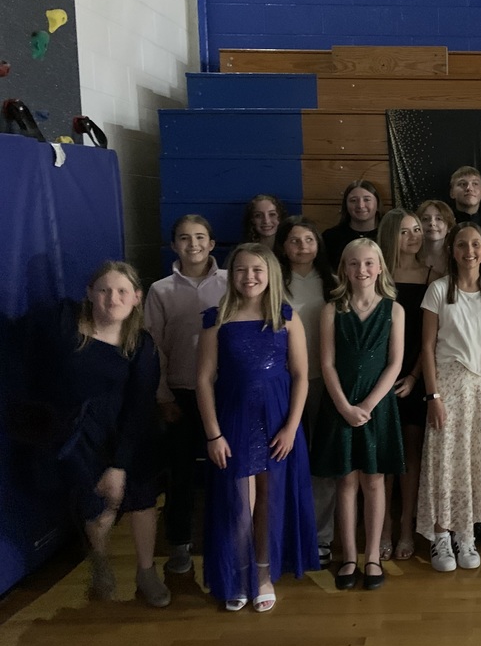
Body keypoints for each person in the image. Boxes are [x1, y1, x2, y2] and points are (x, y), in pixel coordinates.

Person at [196, 243, 318, 612]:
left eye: (257, 270)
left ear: (270, 275)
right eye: (241, 270)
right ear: (231, 276)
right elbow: (203, 380)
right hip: (233, 420)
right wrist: (213, 434)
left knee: (269, 499)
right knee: (238, 504)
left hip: (278, 420)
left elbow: (301, 376)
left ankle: (262, 573)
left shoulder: (286, 317)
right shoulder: (215, 319)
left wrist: (291, 427)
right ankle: (239, 572)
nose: (249, 277)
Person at [53, 261, 170, 607]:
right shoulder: (70, 335)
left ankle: (146, 572)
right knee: (97, 506)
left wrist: (120, 464)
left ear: (136, 297)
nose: (112, 298)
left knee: (142, 501)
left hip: (132, 433)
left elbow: (139, 405)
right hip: (85, 435)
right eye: (104, 290)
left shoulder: (141, 344)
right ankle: (100, 561)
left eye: (121, 291)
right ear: (90, 294)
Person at [312, 239, 405, 591]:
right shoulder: (331, 309)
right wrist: (344, 406)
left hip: (376, 407)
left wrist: (367, 406)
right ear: (344, 269)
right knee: (346, 481)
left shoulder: (394, 310)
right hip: (341, 405)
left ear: (379, 267)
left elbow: (395, 362)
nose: (361, 270)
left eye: (368, 263)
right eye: (354, 264)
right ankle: (349, 555)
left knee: (375, 481)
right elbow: (327, 363)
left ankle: (372, 556)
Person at [418, 222, 481, 572]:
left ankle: (465, 534)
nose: (469, 251)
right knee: (445, 461)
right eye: (461, 245)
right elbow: (426, 346)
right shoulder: (439, 290)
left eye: (475, 244)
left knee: (472, 461)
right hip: (449, 386)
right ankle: (441, 536)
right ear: (452, 251)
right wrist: (433, 395)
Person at [144, 215, 228, 576]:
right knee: (179, 475)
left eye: (200, 237)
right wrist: (163, 397)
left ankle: (226, 539)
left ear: (211, 243)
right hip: (180, 394)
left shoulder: (231, 283)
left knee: (225, 471)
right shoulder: (160, 291)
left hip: (225, 393)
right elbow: (154, 348)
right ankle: (179, 544)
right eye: (183, 238)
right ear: (173, 245)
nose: (192, 244)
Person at [274, 216, 340, 569]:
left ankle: (321, 537)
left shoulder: (332, 281)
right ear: (283, 246)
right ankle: (282, 531)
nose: (302, 247)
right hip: (281, 382)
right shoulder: (272, 281)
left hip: (324, 381)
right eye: (295, 241)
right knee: (281, 455)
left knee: (322, 461)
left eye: (309, 240)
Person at [377, 209, 435, 561]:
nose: (415, 236)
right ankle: (381, 527)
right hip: (377, 377)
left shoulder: (432, 276)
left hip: (414, 375)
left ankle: (405, 526)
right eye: (405, 232)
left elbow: (429, 337)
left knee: (412, 455)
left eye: (417, 230)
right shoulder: (375, 273)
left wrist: (414, 376)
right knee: (384, 458)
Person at [322, 180, 382, 269]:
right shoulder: (330, 237)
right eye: (353, 200)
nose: (360, 205)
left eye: (367, 199)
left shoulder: (390, 235)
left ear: (377, 204)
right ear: (345, 205)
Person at [449, 165, 481, 233]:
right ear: (452, 193)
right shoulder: (444, 225)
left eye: (475, 183)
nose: (469, 188)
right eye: (463, 184)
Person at [417, 199, 455, 277]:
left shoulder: (456, 257)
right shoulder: (412, 257)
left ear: (449, 226)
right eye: (425, 219)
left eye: (438, 219)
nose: (432, 223)